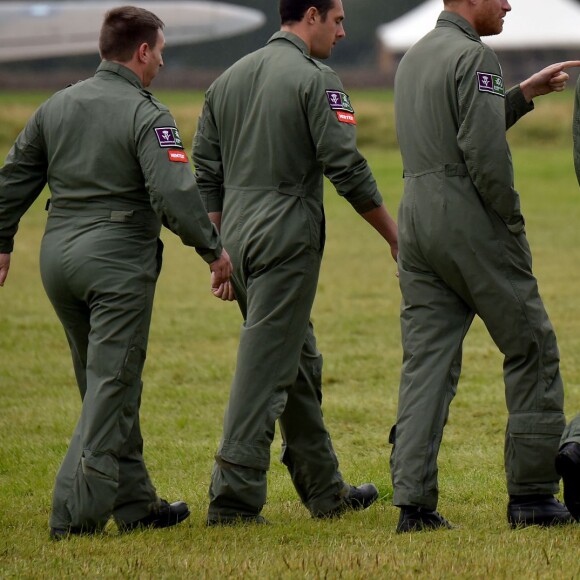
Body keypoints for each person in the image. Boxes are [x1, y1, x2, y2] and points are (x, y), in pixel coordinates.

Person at [0, 5, 232, 539]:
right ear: (142, 51)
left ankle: (136, 505)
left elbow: (13, 177)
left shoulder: (56, 105)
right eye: (161, 56)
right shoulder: (149, 115)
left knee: (102, 384)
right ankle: (74, 516)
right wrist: (212, 249)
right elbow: (173, 192)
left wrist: (3, 239)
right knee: (111, 386)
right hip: (116, 262)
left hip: (57, 260)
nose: (162, 67)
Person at [192, 0, 398, 524]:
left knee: (296, 358)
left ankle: (325, 489)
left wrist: (219, 250)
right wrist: (394, 237)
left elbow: (205, 170)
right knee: (265, 369)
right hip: (286, 235)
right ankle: (233, 499)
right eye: (338, 20)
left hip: (237, 238)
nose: (343, 30)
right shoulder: (318, 79)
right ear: (311, 15)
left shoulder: (227, 80)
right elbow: (346, 165)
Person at [390, 0, 580, 533]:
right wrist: (509, 218)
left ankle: (413, 503)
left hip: (416, 216)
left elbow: (459, 126)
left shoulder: (413, 57)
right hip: (468, 215)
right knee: (531, 344)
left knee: (426, 359)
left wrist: (524, 94)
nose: (509, 4)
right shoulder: (476, 58)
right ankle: (533, 496)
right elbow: (482, 150)